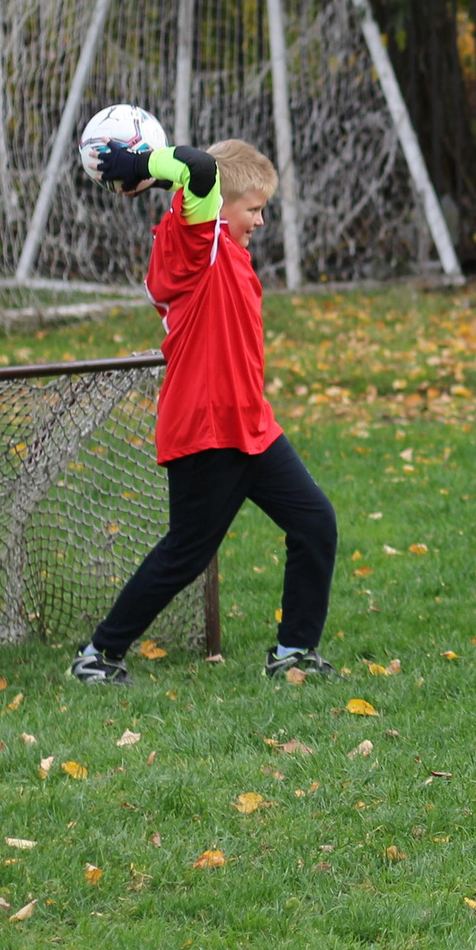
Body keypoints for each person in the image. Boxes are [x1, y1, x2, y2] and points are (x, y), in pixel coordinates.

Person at [67, 137, 338, 686]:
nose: (260, 222)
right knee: (185, 555)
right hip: (207, 429)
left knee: (315, 523)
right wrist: (145, 166)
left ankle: (293, 652)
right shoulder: (195, 242)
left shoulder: (225, 244)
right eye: (254, 210)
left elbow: (197, 175)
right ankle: (98, 655)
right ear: (218, 205)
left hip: (250, 425)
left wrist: (151, 171)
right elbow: (195, 167)